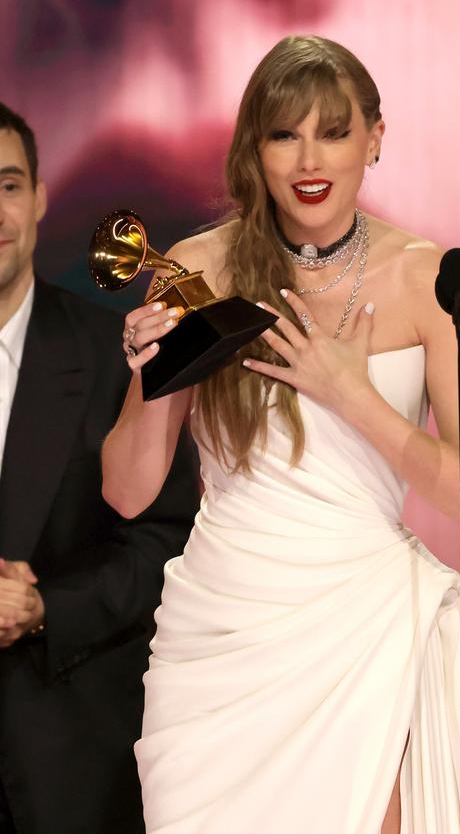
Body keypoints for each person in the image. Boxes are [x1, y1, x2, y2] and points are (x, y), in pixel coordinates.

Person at [102, 35, 460, 834]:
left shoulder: (429, 279)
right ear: (255, 148)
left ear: (376, 137)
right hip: (221, 643)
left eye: (332, 130)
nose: (308, 158)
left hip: (364, 631)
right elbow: (126, 491)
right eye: (284, 133)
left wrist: (355, 397)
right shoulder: (197, 267)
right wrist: (156, 377)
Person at [0, 102, 199, 834]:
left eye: (9, 185)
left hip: (71, 766)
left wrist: (44, 607)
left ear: (41, 195)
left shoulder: (115, 354)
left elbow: (164, 544)